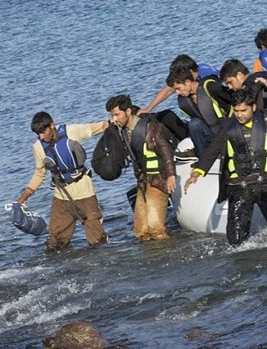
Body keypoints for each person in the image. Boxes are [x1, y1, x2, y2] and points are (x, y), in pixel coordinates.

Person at [183, 87, 267, 246]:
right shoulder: (227, 126)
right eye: (236, 111)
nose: (239, 115)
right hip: (238, 187)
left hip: (266, 183)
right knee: (236, 240)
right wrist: (196, 173)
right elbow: (212, 150)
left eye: (243, 110)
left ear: (253, 107)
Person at [16, 112, 108, 251]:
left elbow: (98, 127)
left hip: (84, 193)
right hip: (61, 196)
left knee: (97, 242)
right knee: (54, 245)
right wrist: (24, 197)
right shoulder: (38, 147)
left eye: (43, 132)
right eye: (38, 134)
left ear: (52, 125)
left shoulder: (71, 131)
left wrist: (119, 121)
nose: (41, 136)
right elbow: (39, 174)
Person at [106, 95, 176, 241]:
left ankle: (169, 252)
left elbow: (166, 151)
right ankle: (151, 254)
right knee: (141, 231)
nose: (114, 119)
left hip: (158, 178)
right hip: (143, 181)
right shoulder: (124, 132)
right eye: (112, 116)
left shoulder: (151, 127)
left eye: (117, 115)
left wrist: (171, 175)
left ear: (128, 111)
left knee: (155, 228)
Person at [165, 66, 231, 158]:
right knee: (194, 123)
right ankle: (202, 157)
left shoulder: (210, 87)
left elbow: (232, 100)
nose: (178, 93)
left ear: (187, 83)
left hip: (226, 132)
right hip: (211, 136)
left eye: (178, 88)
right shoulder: (186, 100)